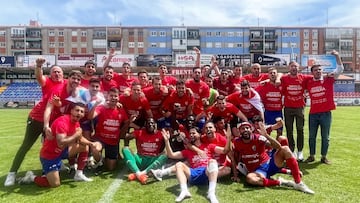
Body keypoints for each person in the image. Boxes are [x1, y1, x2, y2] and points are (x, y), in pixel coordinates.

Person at [4, 58, 66, 186]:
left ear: (63, 74)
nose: (57, 74)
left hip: (52, 121)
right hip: (37, 119)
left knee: (53, 146)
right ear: (50, 74)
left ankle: (58, 165)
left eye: (59, 72)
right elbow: (39, 77)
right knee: (25, 146)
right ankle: (12, 174)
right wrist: (38, 66)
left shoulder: (66, 84)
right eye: (54, 71)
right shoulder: (47, 82)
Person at [18, 103, 101, 187]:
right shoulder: (62, 122)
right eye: (77, 110)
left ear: (83, 114)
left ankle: (79, 174)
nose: (79, 113)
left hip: (62, 151)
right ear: (71, 111)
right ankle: (31, 177)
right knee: (55, 184)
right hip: (50, 155)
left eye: (82, 111)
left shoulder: (76, 123)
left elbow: (80, 139)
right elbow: (61, 142)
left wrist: (92, 144)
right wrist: (76, 135)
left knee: (84, 146)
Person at [231, 122, 314, 194]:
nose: (245, 130)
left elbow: (278, 146)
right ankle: (283, 182)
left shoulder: (258, 138)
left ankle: (298, 183)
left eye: (247, 128)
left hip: (269, 163)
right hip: (258, 171)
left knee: (285, 148)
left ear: (251, 130)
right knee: (250, 179)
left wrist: (266, 135)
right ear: (239, 131)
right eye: (243, 128)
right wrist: (235, 175)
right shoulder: (236, 142)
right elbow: (233, 157)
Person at [160, 126, 231, 203]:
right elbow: (171, 155)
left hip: (207, 172)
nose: (191, 135)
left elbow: (225, 151)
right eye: (190, 133)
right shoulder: (188, 150)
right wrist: (167, 141)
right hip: (193, 173)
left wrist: (228, 138)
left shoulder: (209, 146)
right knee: (179, 165)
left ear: (199, 134)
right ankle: (184, 191)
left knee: (213, 162)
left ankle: (211, 193)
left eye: (194, 133)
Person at [304, 50, 344, 164]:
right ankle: (311, 156)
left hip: (326, 113)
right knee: (312, 136)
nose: (318, 71)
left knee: (325, 137)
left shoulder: (328, 79)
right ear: (312, 72)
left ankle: (323, 156)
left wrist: (337, 56)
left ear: (322, 71)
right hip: (313, 114)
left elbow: (340, 70)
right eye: (315, 70)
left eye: (320, 70)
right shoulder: (309, 82)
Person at [88, 87, 130, 171]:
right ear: (107, 97)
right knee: (95, 148)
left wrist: (130, 121)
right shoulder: (102, 107)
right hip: (100, 139)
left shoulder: (121, 110)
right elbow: (90, 116)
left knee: (111, 168)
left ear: (118, 98)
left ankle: (106, 159)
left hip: (113, 141)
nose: (113, 98)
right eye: (111, 96)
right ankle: (100, 161)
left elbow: (126, 122)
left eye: (115, 96)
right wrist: (96, 104)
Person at [280, 61, 313, 161]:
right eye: (292, 66)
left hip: (299, 107)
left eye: (296, 66)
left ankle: (300, 151)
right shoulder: (284, 78)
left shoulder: (304, 77)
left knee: (300, 129)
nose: (294, 68)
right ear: (289, 68)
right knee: (289, 130)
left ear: (299, 68)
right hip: (288, 107)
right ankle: (292, 150)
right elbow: (276, 76)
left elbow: (316, 77)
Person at [122, 118, 167, 184]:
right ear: (145, 125)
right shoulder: (139, 132)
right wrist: (128, 123)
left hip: (152, 160)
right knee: (125, 149)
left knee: (166, 153)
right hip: (140, 159)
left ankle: (140, 173)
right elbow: (125, 137)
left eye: (152, 123)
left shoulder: (161, 134)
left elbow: (168, 145)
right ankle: (138, 173)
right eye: (148, 123)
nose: (150, 125)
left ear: (155, 125)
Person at [256, 67, 284, 137]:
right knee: (267, 132)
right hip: (268, 112)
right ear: (268, 75)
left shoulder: (281, 84)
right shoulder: (263, 85)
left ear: (277, 74)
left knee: (279, 132)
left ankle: (277, 147)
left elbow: (283, 74)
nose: (272, 74)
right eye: (271, 73)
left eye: (274, 73)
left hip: (278, 112)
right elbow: (254, 92)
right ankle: (267, 148)